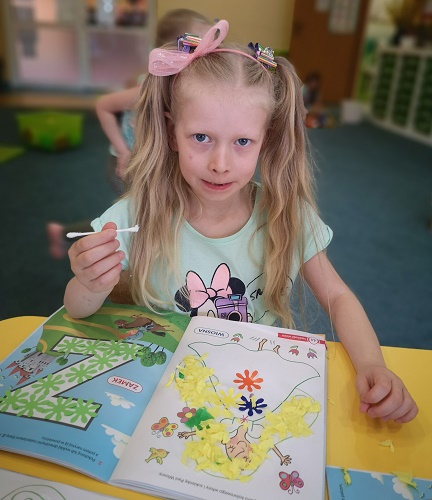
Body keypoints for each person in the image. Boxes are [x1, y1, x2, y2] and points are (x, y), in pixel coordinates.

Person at [64, 21, 418, 424]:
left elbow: (337, 297)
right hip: (162, 390)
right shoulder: (134, 215)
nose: (220, 164)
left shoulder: (287, 215)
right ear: (172, 132)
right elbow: (78, 310)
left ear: (266, 139)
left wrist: (372, 365)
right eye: (201, 137)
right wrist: (90, 284)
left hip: (251, 387)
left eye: (242, 142)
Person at [46, 8, 212, 259]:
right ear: (170, 50)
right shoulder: (149, 88)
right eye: (196, 46)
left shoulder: (186, 85)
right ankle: (70, 237)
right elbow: (104, 106)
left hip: (150, 162)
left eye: (209, 45)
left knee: (152, 215)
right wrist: (123, 152)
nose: (205, 54)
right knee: (138, 219)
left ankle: (65, 234)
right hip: (128, 165)